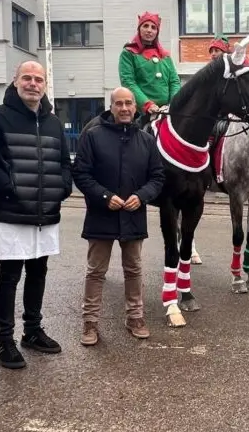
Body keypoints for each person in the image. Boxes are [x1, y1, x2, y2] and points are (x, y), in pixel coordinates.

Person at [0, 61, 73, 370]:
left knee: (38, 273)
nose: (33, 83)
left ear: (44, 85)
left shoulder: (53, 122)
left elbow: (64, 163)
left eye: (38, 79)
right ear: (15, 82)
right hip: (12, 213)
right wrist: (9, 187)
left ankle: (32, 330)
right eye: (26, 78)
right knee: (10, 276)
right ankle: (4, 340)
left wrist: (63, 188)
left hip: (46, 213)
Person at [72, 87, 165, 346]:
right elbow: (81, 174)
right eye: (119, 104)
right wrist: (104, 196)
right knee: (96, 272)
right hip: (101, 215)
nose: (124, 108)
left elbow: (157, 177)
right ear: (111, 107)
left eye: (128, 103)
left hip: (133, 216)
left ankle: (135, 317)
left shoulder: (146, 141)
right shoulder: (93, 136)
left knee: (133, 270)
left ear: (135, 107)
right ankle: (90, 322)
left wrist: (142, 196)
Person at [118, 12, 181, 125]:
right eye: (145, 26)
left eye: (153, 27)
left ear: (157, 32)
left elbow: (174, 81)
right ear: (139, 29)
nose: (149, 30)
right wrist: (147, 105)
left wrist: (173, 104)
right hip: (141, 113)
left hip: (167, 112)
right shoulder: (128, 53)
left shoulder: (165, 56)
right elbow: (128, 82)